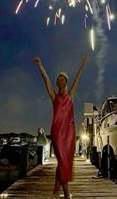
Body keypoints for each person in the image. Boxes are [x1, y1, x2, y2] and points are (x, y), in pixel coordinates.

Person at [33, 55, 88, 199]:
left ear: (66, 82)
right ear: (57, 83)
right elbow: (46, 80)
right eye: (58, 79)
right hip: (57, 133)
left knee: (64, 162)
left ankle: (55, 193)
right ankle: (66, 194)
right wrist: (40, 66)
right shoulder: (53, 96)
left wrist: (83, 64)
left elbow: (78, 78)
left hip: (70, 134)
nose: (61, 81)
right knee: (63, 162)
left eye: (63, 79)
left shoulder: (71, 95)